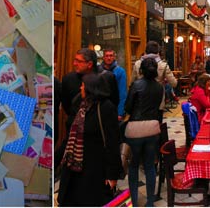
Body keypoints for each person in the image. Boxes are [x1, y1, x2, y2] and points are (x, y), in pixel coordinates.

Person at [58, 73, 120, 207]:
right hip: (73, 168)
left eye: (83, 86)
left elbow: (112, 143)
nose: (80, 88)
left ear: (91, 89)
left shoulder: (106, 108)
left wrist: (112, 175)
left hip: (95, 171)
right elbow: (69, 135)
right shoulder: (79, 105)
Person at [124, 57, 164, 207]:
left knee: (133, 165)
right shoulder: (159, 87)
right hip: (153, 127)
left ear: (141, 70)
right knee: (149, 165)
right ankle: (150, 203)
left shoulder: (136, 85)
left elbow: (128, 107)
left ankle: (134, 201)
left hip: (135, 128)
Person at [56, 49, 98, 167]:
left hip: (94, 132)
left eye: (78, 61)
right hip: (73, 127)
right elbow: (66, 105)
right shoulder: (68, 79)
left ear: (89, 64)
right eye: (75, 60)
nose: (74, 63)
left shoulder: (103, 78)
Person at [133, 41, 178, 109]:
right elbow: (174, 83)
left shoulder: (137, 64)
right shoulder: (163, 65)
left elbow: (132, 82)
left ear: (146, 51)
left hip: (141, 100)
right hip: (158, 101)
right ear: (158, 51)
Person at [99, 49, 127, 121]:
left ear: (114, 57)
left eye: (111, 56)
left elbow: (122, 93)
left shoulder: (120, 71)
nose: (109, 58)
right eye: (107, 56)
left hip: (114, 105)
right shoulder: (98, 70)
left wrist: (120, 112)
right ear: (103, 57)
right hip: (100, 106)